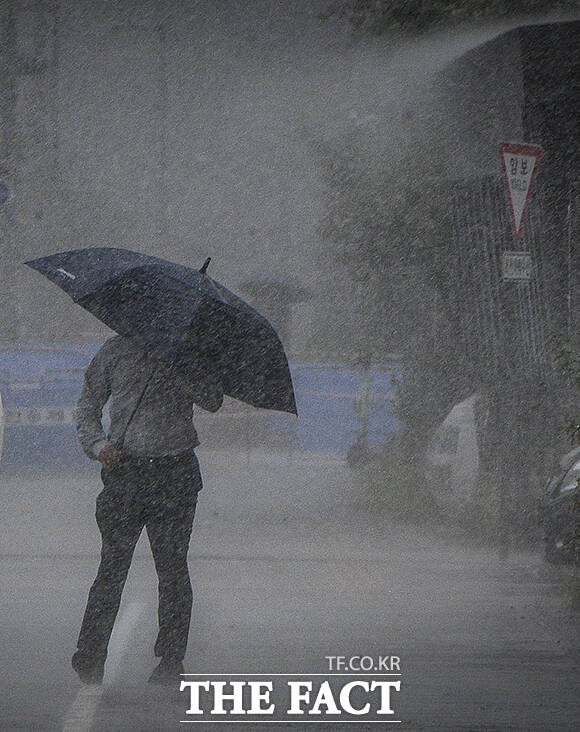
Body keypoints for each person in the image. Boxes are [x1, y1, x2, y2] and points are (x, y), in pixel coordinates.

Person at [72, 334, 223, 685]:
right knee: (112, 568)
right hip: (125, 472)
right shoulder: (113, 351)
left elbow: (212, 399)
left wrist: (181, 367)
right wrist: (98, 445)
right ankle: (91, 653)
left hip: (175, 473)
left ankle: (171, 658)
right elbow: (87, 406)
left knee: (172, 569)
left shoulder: (188, 350)